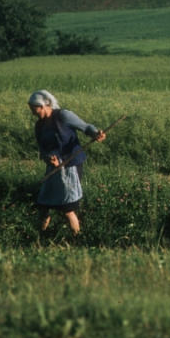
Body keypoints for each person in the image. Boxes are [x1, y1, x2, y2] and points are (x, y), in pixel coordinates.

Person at [29, 89, 106, 238]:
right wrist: (48, 159)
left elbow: (85, 127)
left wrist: (96, 133)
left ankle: (77, 239)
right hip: (53, 167)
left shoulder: (63, 116)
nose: (33, 113)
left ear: (44, 105)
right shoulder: (39, 126)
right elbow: (42, 149)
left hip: (71, 165)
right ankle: (39, 239)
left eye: (35, 109)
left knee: (67, 208)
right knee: (44, 205)